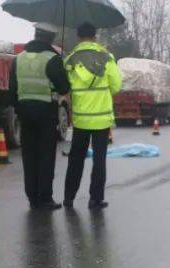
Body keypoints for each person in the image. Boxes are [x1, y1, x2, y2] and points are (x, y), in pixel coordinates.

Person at [63, 22, 122, 210]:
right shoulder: (106, 58)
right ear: (94, 36)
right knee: (99, 160)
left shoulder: (71, 60)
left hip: (80, 119)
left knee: (76, 159)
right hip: (101, 119)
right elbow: (117, 85)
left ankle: (68, 198)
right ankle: (95, 200)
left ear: (79, 37)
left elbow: (66, 87)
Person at [15, 23, 71, 210]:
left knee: (29, 157)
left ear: (36, 34)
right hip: (46, 114)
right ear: (51, 39)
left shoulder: (18, 58)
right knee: (46, 157)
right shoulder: (53, 59)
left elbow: (11, 89)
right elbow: (64, 88)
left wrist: (20, 108)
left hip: (24, 114)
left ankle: (32, 198)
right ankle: (45, 197)